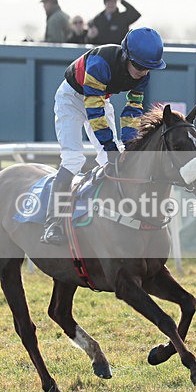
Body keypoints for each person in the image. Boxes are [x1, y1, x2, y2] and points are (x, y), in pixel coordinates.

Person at [41, 27, 167, 244]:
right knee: (73, 160)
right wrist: (109, 147)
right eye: (139, 66)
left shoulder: (143, 75)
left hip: (100, 100)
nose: (143, 72)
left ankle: (114, 218)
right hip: (71, 99)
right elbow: (94, 111)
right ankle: (53, 223)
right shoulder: (100, 64)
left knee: (112, 158)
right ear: (127, 55)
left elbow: (132, 110)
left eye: (149, 68)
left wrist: (129, 144)